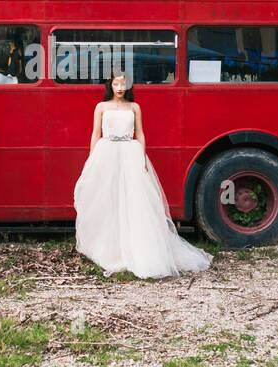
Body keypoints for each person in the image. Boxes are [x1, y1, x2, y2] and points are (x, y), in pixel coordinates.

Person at [73, 72, 212, 279]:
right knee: (107, 199)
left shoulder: (134, 107)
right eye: (116, 83)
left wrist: (141, 157)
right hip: (107, 152)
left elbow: (140, 133)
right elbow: (96, 134)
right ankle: (109, 247)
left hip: (130, 152)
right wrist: (92, 159)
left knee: (134, 200)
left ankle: (134, 246)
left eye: (123, 84)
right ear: (110, 85)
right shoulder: (101, 107)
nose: (120, 88)